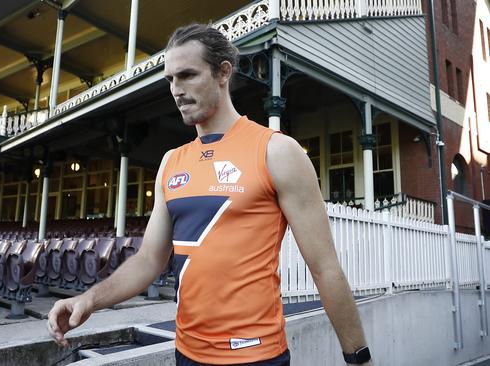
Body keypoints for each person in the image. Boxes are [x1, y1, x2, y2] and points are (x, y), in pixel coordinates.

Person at [48, 23, 373, 366]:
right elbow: (148, 260)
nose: (176, 90)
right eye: (170, 79)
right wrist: (89, 299)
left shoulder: (275, 151)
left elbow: (324, 269)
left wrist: (358, 358)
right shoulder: (171, 162)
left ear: (223, 72)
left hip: (255, 356)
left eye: (187, 75)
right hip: (186, 353)